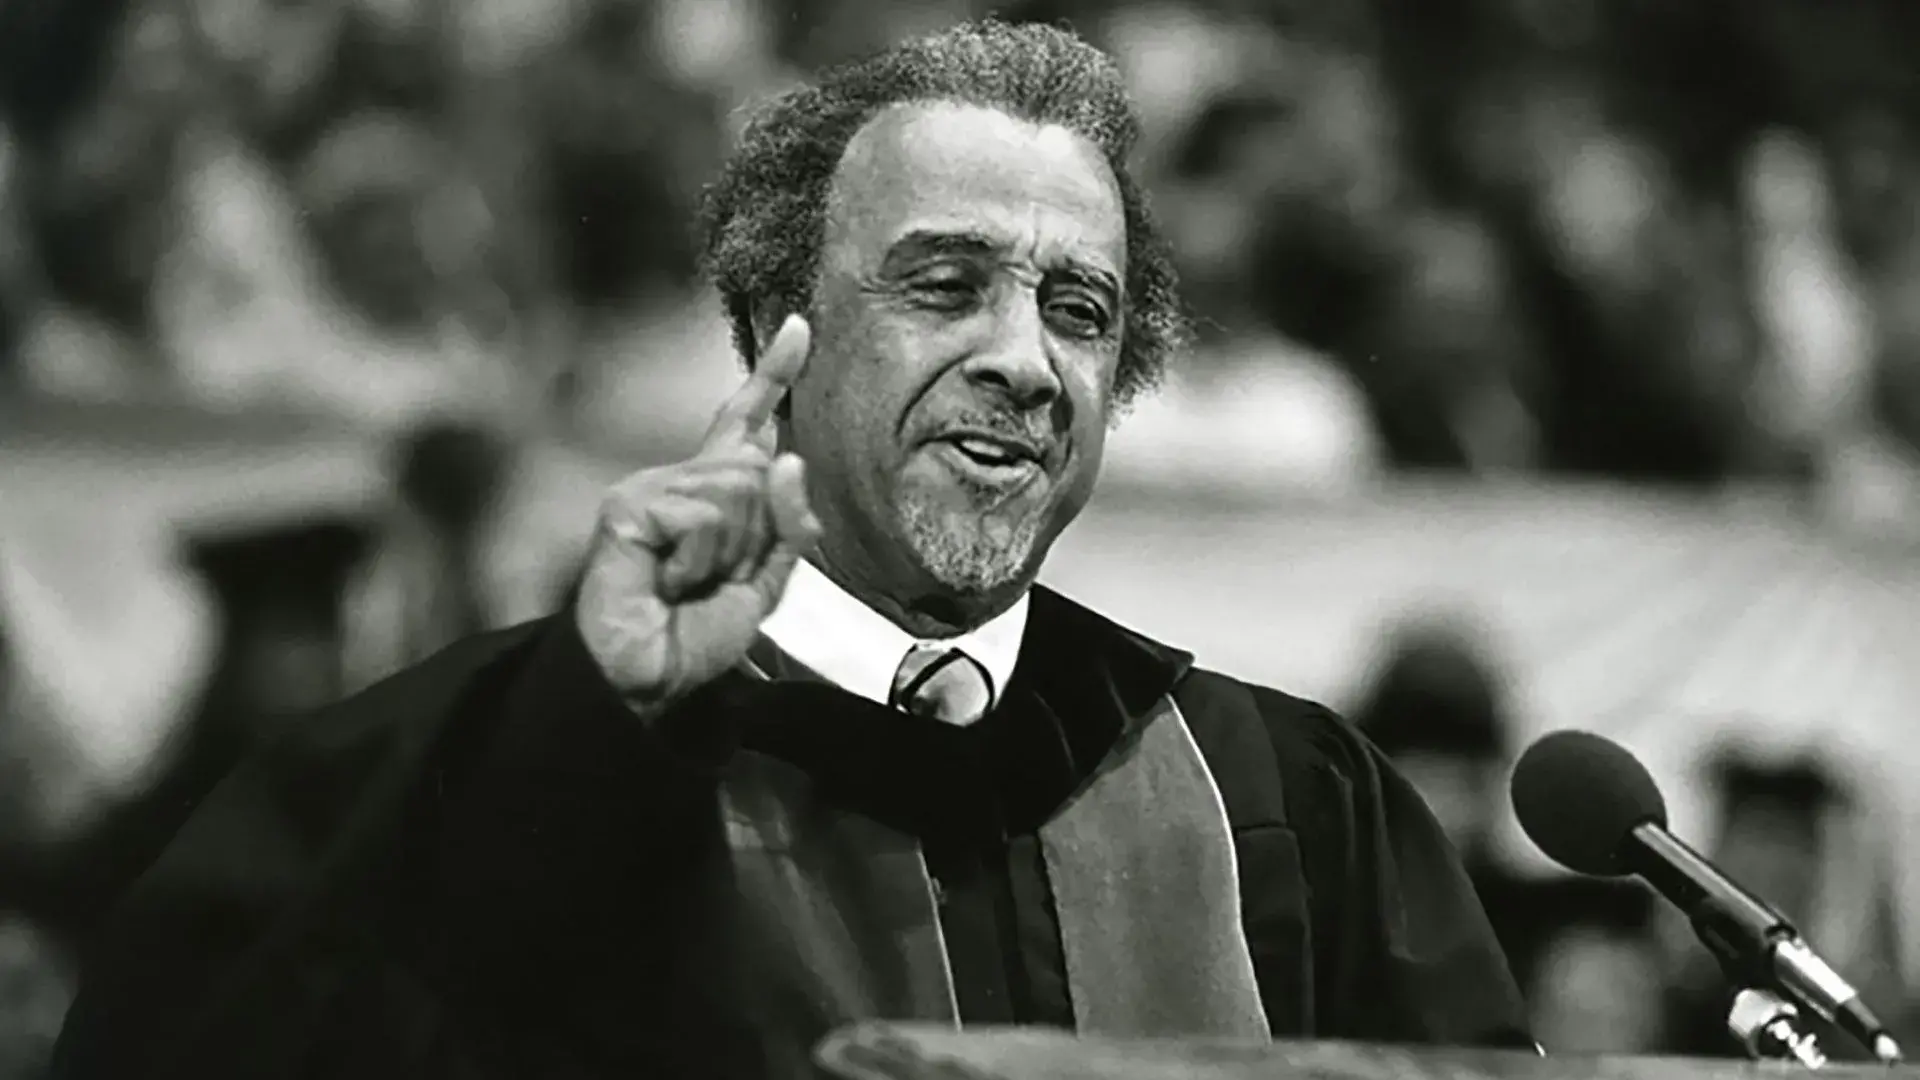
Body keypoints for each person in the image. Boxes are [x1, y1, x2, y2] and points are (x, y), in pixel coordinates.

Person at [51, 21, 1530, 1079]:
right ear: (779, 332)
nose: (1024, 359)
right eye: (944, 283)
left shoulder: (1285, 807)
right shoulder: (490, 759)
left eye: (1080, 311)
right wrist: (581, 748)